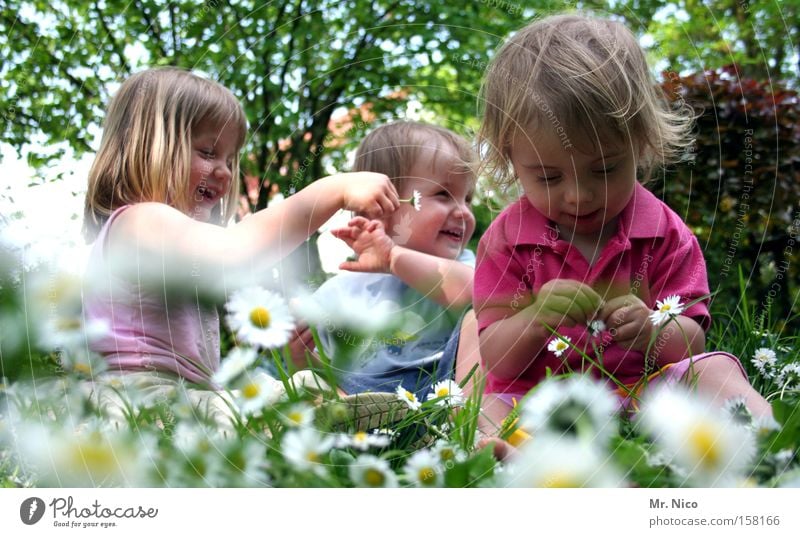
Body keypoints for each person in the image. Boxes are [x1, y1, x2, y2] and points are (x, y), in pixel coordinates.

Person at [473, 14, 771, 430]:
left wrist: (655, 328)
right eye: (548, 177)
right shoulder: (507, 240)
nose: (579, 195)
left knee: (714, 367)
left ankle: (768, 443)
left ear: (641, 144)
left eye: (605, 169)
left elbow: (693, 340)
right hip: (540, 400)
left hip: (645, 392)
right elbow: (495, 357)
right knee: (488, 407)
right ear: (511, 161)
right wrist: (535, 319)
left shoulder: (664, 232)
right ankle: (498, 459)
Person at [81, 67, 398, 420]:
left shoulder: (160, 242)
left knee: (306, 386)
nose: (225, 171)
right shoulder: (139, 221)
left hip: (178, 400)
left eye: (230, 160)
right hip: (141, 402)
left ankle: (367, 427)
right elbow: (237, 250)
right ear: (150, 146)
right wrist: (333, 189)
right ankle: (371, 428)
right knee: (302, 393)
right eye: (207, 152)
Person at [306, 121, 481, 400]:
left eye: (468, 198)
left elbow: (476, 292)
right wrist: (296, 351)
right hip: (362, 400)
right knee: (307, 381)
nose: (463, 212)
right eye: (443, 195)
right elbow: (323, 366)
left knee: (481, 319)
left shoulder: (464, 265)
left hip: (446, 395)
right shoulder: (341, 290)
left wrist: (393, 258)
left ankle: (476, 429)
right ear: (379, 206)